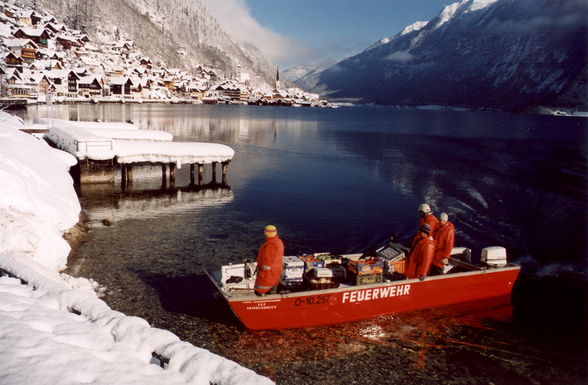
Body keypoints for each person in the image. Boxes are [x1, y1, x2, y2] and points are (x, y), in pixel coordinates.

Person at [254, 225, 285, 296]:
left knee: (264, 297)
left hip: (267, 278)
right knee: (272, 295)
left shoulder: (270, 245)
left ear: (265, 233)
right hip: (275, 275)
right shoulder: (278, 242)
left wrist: (261, 273)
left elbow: (267, 264)